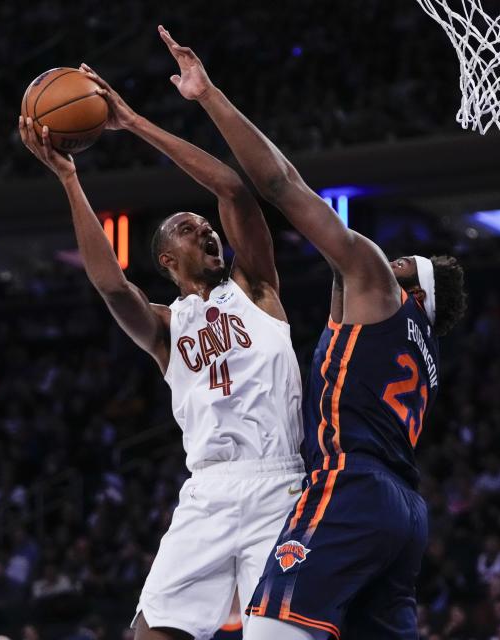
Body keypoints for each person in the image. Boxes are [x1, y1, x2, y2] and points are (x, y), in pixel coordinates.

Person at [156, 25, 466, 639]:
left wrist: (209, 96)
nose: (384, 257)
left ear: (410, 290)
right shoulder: (417, 344)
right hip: (404, 512)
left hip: (351, 485)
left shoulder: (374, 281)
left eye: (400, 262)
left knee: (270, 627)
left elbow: (280, 187)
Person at [19, 61, 306, 640]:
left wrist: (131, 120)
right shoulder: (166, 328)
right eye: (187, 227)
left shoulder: (256, 287)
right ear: (167, 262)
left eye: (207, 226)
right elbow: (109, 284)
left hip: (280, 485)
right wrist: (70, 179)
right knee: (150, 635)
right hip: (207, 490)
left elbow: (230, 187)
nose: (206, 229)